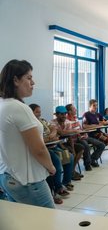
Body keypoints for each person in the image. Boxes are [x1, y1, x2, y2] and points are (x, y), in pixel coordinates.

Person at [0, 59, 55, 208]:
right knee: (47, 222)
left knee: (24, 222)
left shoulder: (2, 104)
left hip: (8, 176)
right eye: (29, 78)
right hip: (28, 180)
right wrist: (51, 167)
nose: (33, 82)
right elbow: (38, 149)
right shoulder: (19, 108)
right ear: (16, 80)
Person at [29, 103, 75, 204]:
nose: (39, 114)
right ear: (30, 112)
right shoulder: (30, 124)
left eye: (40, 111)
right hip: (45, 148)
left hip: (54, 145)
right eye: (37, 112)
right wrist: (48, 138)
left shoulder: (43, 121)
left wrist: (51, 136)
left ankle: (66, 182)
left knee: (70, 157)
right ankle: (57, 188)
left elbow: (53, 129)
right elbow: (38, 140)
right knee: (57, 163)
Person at [65, 103, 105, 171]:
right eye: (74, 109)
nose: (76, 110)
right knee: (86, 146)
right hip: (75, 139)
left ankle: (92, 159)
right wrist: (80, 135)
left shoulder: (75, 118)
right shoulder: (67, 120)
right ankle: (87, 164)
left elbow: (80, 129)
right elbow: (71, 132)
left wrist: (85, 133)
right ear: (69, 111)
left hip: (82, 136)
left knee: (101, 145)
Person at [51, 106, 84, 180]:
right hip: (56, 144)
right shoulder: (52, 123)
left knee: (80, 148)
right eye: (62, 114)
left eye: (65, 114)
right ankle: (69, 174)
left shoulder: (67, 122)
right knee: (69, 153)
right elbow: (61, 133)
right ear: (56, 114)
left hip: (66, 143)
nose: (64, 116)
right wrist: (75, 131)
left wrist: (73, 148)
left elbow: (70, 136)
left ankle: (72, 171)